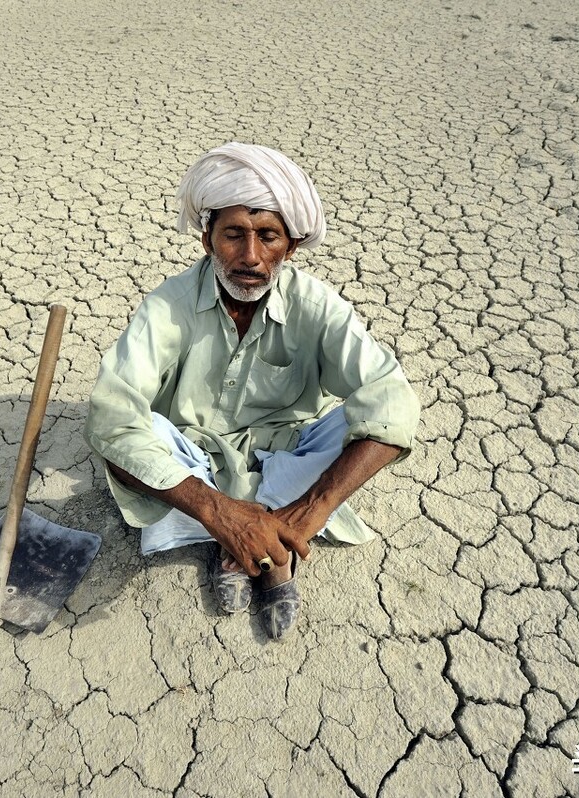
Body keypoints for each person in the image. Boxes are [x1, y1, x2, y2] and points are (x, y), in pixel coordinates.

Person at [84, 142, 420, 640]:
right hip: (194, 457)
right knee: (133, 432)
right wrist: (218, 510)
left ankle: (275, 531)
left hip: (286, 457)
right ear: (206, 240)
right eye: (233, 236)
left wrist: (311, 511)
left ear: (292, 246)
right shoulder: (167, 306)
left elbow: (391, 399)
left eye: (268, 237)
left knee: (366, 420)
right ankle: (251, 539)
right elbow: (114, 418)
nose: (250, 258)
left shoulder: (318, 306)